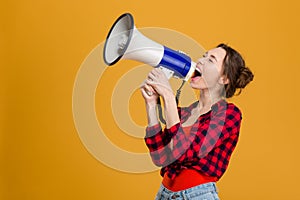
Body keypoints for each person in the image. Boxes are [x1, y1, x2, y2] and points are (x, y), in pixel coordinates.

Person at [140, 43, 254, 200]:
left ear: (224, 78)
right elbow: (159, 157)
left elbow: (185, 152)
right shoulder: (185, 114)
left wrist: (167, 96)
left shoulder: (229, 115)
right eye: (204, 55)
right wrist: (151, 104)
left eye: (211, 59)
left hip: (196, 195)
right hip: (164, 194)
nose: (200, 61)